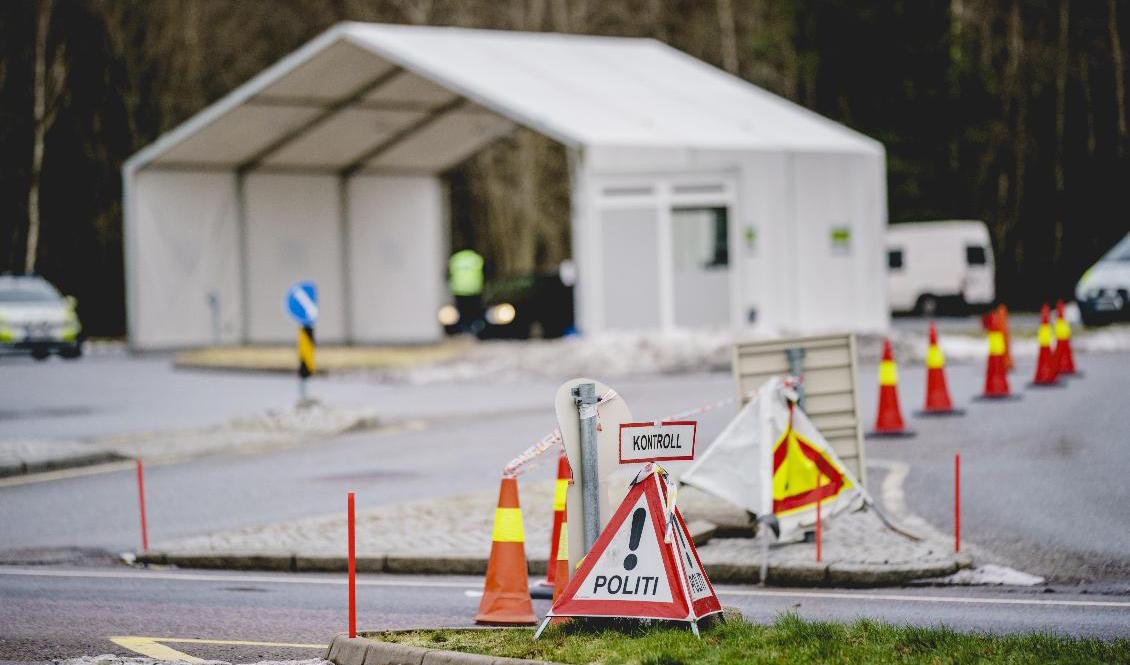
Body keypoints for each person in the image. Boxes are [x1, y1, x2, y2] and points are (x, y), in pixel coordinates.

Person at [448, 248, 484, 333]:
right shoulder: (476, 258)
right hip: (474, 290)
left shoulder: (456, 258)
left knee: (461, 311)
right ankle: (474, 327)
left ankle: (462, 328)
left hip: (459, 290)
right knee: (473, 311)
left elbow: (449, 274)